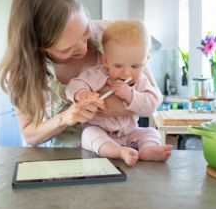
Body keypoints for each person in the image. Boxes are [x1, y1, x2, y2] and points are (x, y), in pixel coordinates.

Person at [0, 0, 157, 147]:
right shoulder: (27, 70)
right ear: (39, 47)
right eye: (67, 49)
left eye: (85, 32)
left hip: (125, 150)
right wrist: (65, 117)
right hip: (69, 158)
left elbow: (153, 97)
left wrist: (115, 106)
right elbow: (30, 135)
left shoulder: (113, 35)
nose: (83, 48)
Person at [65, 20, 173, 166]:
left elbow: (152, 104)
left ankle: (147, 149)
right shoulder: (97, 74)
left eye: (135, 66)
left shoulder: (141, 80)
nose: (126, 73)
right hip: (101, 132)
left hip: (130, 133)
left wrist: (130, 95)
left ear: (146, 60)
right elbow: (73, 86)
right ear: (106, 60)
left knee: (151, 132)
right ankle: (118, 152)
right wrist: (83, 94)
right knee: (88, 134)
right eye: (118, 66)